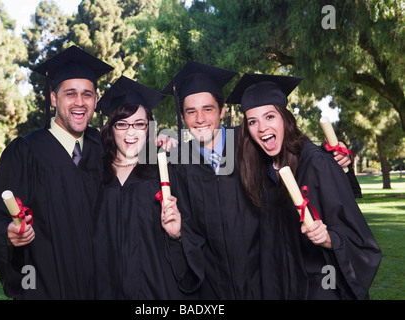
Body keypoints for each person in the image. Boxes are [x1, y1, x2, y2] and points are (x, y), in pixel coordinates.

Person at [0, 46, 113, 299]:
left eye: (87, 95)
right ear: (53, 98)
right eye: (70, 94)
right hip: (45, 285)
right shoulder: (26, 151)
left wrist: (164, 146)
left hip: (102, 287)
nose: (80, 102)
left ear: (95, 100)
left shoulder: (104, 148)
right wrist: (7, 231)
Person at [227, 73, 382, 299]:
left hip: (324, 288)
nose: (261, 127)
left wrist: (327, 237)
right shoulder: (262, 170)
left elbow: (360, 240)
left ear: (285, 119)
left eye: (270, 116)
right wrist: (164, 142)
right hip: (285, 287)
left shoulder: (317, 163)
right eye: (252, 121)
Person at [93, 76, 203, 299]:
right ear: (111, 129)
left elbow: (196, 233)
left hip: (159, 294)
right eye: (122, 124)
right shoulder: (95, 178)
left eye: (139, 124)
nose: (131, 132)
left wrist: (178, 235)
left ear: (148, 128)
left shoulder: (164, 172)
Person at [162, 61, 262, 299]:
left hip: (263, 275)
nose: (199, 118)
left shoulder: (251, 144)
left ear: (223, 111)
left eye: (208, 109)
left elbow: (293, 157)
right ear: (183, 117)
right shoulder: (177, 161)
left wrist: (336, 158)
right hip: (213, 284)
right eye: (190, 111)